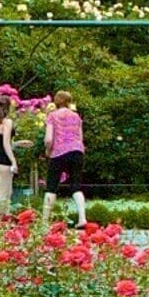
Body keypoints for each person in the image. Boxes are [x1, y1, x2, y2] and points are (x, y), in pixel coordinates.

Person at [45, 91, 90, 222]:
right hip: (77, 151)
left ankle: (44, 221)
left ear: (56, 102)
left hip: (58, 152)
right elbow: (80, 138)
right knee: (76, 186)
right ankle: (82, 218)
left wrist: (48, 151)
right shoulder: (76, 117)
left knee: (51, 186)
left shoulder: (52, 116)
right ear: (69, 102)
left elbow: (48, 139)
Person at [0, 88, 21, 211]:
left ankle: (3, 220)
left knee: (6, 191)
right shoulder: (7, 122)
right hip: (5, 160)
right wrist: (13, 161)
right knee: (4, 193)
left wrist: (18, 143)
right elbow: (6, 143)